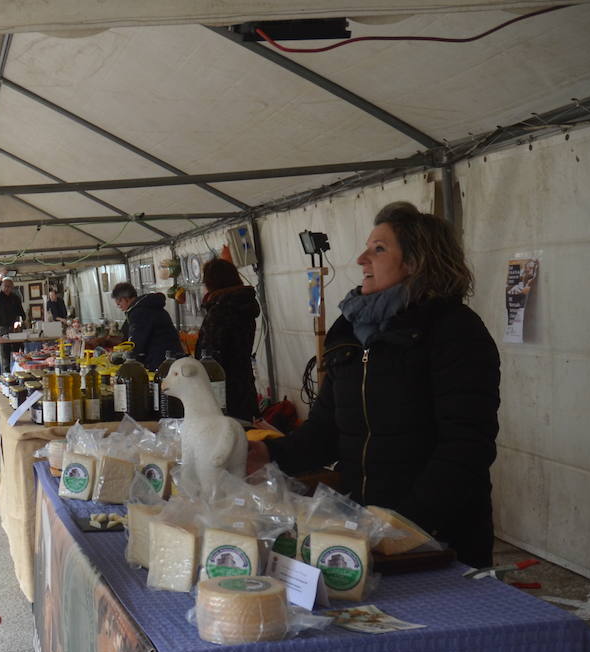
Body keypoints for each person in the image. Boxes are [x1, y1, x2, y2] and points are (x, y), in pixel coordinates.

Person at [247, 201, 500, 567]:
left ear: (416, 261)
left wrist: (402, 526)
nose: (361, 259)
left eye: (379, 249)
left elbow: (466, 448)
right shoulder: (349, 331)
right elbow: (326, 429)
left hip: (438, 538)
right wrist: (270, 455)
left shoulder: (454, 331)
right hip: (363, 533)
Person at [195, 258, 260, 420]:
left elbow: (210, 356)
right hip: (243, 383)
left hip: (223, 391)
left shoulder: (221, 311)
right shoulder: (242, 305)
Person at [111, 281, 184, 367]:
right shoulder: (146, 306)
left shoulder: (139, 312)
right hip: (173, 355)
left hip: (160, 360)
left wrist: (120, 357)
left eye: (119, 302)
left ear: (125, 298)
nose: (118, 306)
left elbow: (135, 344)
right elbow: (128, 334)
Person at [0, 276, 25, 374]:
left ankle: (17, 372)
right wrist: (0, 279)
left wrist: (24, 320)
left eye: (9, 287)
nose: (7, 288)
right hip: (2, 328)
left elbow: (21, 311)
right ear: (2, 287)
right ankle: (6, 374)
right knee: (5, 353)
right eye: (5, 286)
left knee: (16, 351)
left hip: (14, 328)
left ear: (12, 287)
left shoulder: (15, 298)